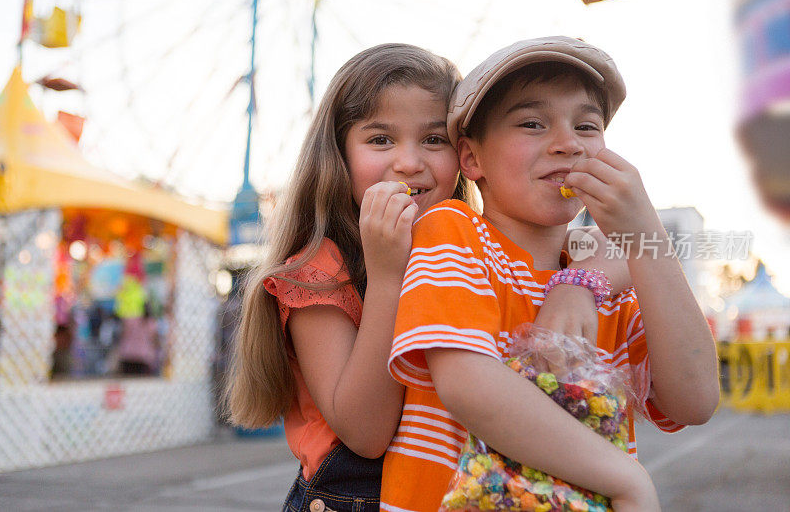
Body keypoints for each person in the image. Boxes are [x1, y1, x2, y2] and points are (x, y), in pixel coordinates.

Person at [226, 43, 636, 512]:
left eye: (433, 139)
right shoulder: (318, 270)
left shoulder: (462, 244)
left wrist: (577, 282)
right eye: (380, 139)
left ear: (464, 156)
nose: (408, 162)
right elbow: (366, 433)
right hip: (354, 498)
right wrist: (386, 277)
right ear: (338, 156)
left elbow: (622, 248)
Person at [380, 36, 721, 512]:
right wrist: (624, 479)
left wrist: (645, 234)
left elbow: (695, 399)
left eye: (587, 125)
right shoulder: (453, 231)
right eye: (532, 123)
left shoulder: (610, 289)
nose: (567, 145)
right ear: (471, 158)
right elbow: (466, 383)